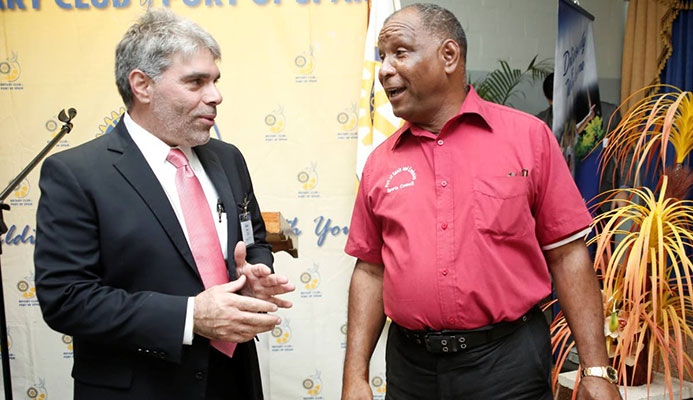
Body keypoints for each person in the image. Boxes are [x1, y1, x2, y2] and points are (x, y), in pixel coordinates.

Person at [342, 4, 622, 400]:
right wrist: (355, 377)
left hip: (508, 365)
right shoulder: (379, 163)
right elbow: (370, 272)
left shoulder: (529, 138)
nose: (385, 69)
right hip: (411, 370)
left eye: (399, 52)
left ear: (449, 56)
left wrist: (595, 369)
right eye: (381, 57)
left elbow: (568, 256)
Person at [34, 9, 294, 400]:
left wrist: (256, 272)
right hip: (142, 387)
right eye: (196, 82)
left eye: (215, 81)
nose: (215, 95)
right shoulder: (76, 174)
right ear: (142, 85)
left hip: (234, 379)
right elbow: (66, 299)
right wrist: (190, 317)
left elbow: (252, 237)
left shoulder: (228, 158)